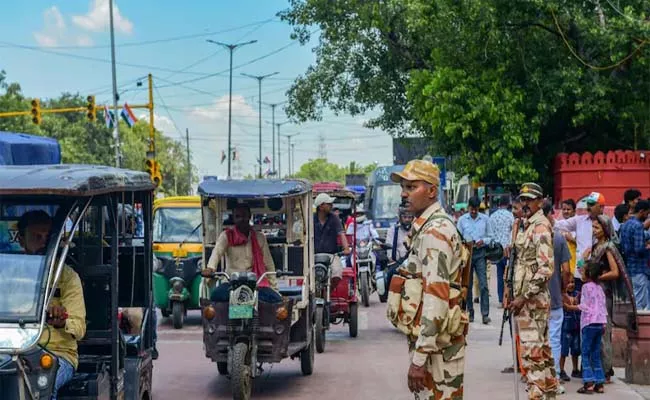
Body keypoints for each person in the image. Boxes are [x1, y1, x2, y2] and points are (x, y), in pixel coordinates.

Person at [390, 159, 466, 399]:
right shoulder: (426, 228)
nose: (404, 194)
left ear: (432, 191)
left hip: (437, 350)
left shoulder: (435, 232)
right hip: (435, 345)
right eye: (403, 187)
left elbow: (436, 298)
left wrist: (419, 358)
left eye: (412, 187)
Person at [17, 210, 86, 400]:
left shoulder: (68, 277)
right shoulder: (8, 273)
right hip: (13, 351)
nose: (42, 242)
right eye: (36, 237)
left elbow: (79, 328)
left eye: (47, 237)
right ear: (21, 239)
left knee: (42, 386)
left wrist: (62, 321)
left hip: (57, 354)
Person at [510, 183, 558, 399]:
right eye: (523, 199)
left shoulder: (539, 227)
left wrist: (523, 296)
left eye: (530, 200)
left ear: (540, 202)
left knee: (532, 354)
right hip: (527, 301)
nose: (525, 204)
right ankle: (548, 393)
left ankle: (537, 394)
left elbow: (546, 268)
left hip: (532, 301)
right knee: (542, 352)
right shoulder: (525, 225)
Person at [202, 203, 282, 303]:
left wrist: (274, 288)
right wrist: (210, 268)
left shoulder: (259, 237)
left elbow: (268, 264)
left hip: (255, 284)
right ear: (234, 219)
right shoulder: (226, 236)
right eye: (237, 216)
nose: (241, 219)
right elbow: (217, 252)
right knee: (215, 297)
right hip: (231, 283)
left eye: (244, 216)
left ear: (249, 217)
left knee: (276, 300)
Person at [587, 215, 623, 384]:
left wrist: (599, 277)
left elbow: (615, 272)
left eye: (597, 228)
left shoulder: (608, 247)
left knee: (603, 332)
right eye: (593, 227)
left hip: (603, 294)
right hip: (594, 294)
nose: (594, 231)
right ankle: (596, 369)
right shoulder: (596, 246)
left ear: (605, 230)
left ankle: (606, 370)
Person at [542, 200, 571, 394]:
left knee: (536, 338)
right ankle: (555, 377)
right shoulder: (558, 238)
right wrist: (562, 290)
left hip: (533, 300)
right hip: (554, 299)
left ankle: (538, 376)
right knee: (554, 338)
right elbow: (566, 270)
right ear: (551, 214)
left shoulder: (527, 235)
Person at [554, 192, 606, 292]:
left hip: (600, 275)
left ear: (601, 207)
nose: (588, 207)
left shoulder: (607, 224)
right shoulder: (579, 220)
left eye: (592, 204)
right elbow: (558, 225)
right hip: (581, 272)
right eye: (588, 204)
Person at [458, 196, 493, 324]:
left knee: (483, 284)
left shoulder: (485, 219)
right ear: (468, 208)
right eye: (472, 209)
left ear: (479, 208)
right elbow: (457, 237)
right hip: (467, 253)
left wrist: (483, 241)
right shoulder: (462, 220)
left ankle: (485, 314)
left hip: (480, 253)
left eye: (476, 209)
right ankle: (470, 312)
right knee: (468, 284)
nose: (473, 212)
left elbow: (491, 237)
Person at [577, 262, 608, 394]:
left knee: (585, 353)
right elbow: (603, 307)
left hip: (589, 323)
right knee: (595, 353)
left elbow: (584, 306)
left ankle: (588, 382)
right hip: (600, 323)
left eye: (583, 271)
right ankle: (599, 383)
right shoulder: (600, 288)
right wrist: (604, 323)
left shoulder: (585, 287)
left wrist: (572, 307)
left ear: (588, 274)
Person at [619, 200, 650, 311]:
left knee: (634, 299)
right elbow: (639, 249)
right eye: (647, 213)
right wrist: (647, 247)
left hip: (629, 267)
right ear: (641, 211)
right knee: (640, 303)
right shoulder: (637, 226)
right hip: (639, 267)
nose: (647, 216)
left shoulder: (625, 225)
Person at [314, 193, 350, 288]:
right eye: (329, 204)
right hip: (313, 255)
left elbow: (341, 233)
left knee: (337, 273)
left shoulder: (334, 218)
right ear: (321, 206)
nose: (332, 206)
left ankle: (329, 290)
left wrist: (346, 248)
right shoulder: (311, 219)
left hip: (332, 255)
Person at [489, 196, 514, 307]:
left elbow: (491, 233)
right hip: (508, 249)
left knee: (500, 274)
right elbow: (513, 231)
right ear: (508, 204)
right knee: (509, 275)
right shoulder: (510, 216)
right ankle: (507, 298)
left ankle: (500, 299)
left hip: (498, 250)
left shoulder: (493, 216)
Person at [560, 279, 581, 382]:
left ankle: (575, 369)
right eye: (568, 282)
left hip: (576, 326)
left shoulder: (577, 293)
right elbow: (566, 307)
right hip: (565, 327)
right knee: (563, 350)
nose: (571, 284)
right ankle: (561, 370)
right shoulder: (561, 295)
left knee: (576, 349)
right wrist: (574, 305)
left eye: (572, 282)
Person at [560, 199, 578, 277]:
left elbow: (585, 245)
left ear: (574, 211)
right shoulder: (559, 225)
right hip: (562, 268)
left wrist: (572, 240)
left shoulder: (579, 225)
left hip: (576, 267)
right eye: (564, 209)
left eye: (568, 209)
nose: (566, 211)